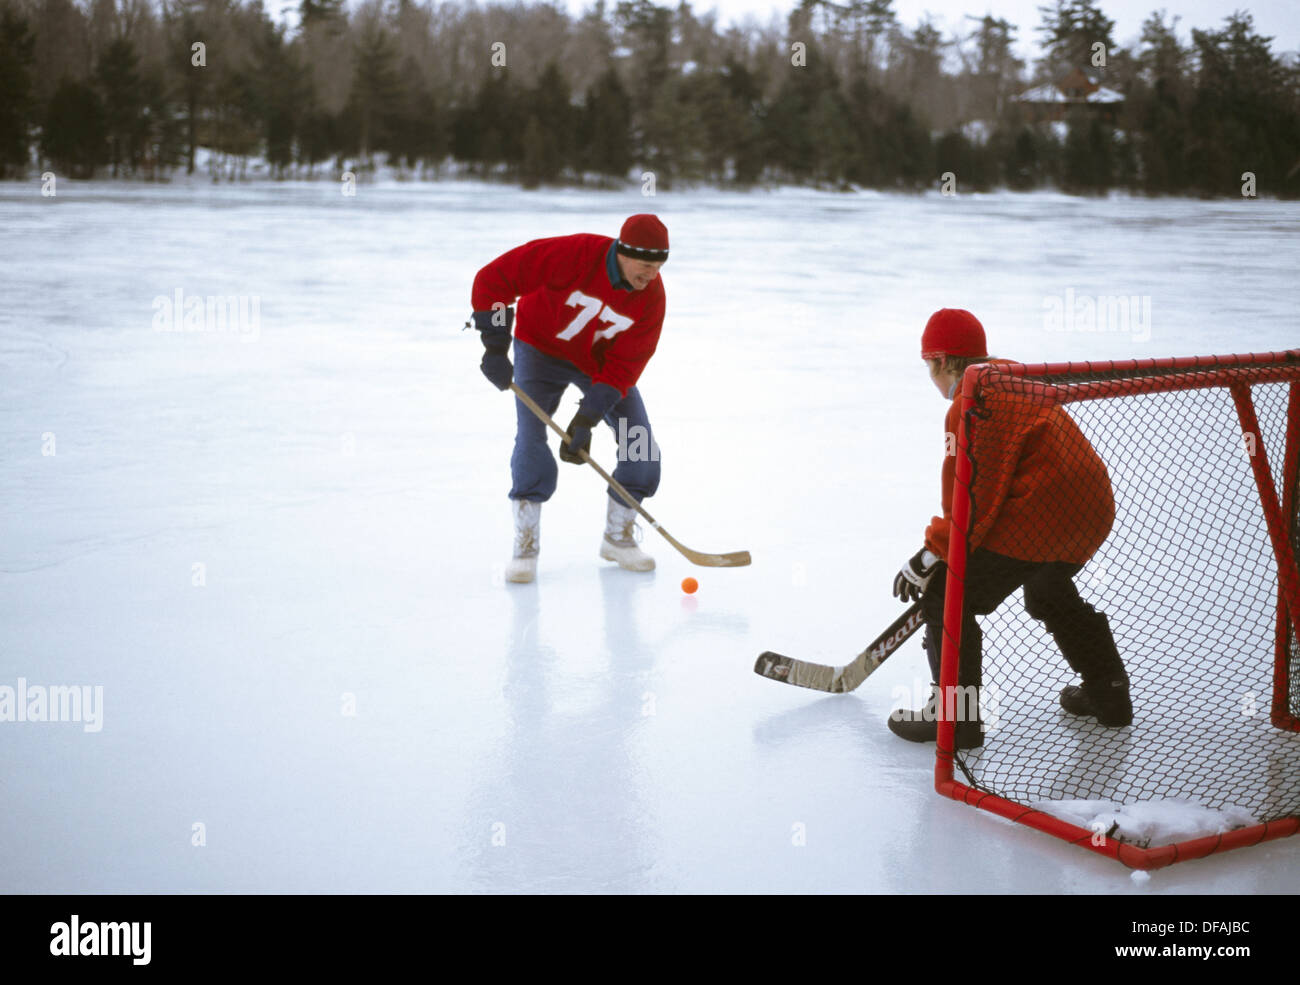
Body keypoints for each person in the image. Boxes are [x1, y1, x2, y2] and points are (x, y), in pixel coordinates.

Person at [889, 308, 1132, 749]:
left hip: (1040, 515)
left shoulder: (973, 402)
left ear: (942, 361)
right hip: (1090, 511)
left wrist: (930, 555)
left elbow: (971, 499)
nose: (930, 377)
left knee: (946, 593)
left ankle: (957, 719)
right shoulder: (1014, 377)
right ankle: (1108, 692)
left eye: (929, 365)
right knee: (1048, 589)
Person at [469, 214, 669, 583]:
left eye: (659, 267)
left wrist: (587, 417)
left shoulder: (652, 298)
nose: (651, 275)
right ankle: (525, 546)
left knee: (639, 442)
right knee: (531, 438)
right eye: (646, 266)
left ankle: (618, 537)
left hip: (597, 364)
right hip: (538, 348)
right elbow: (493, 279)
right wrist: (495, 345)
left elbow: (626, 365)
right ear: (624, 253)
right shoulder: (573, 254)